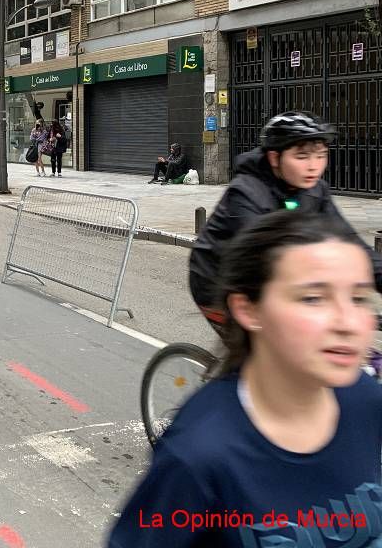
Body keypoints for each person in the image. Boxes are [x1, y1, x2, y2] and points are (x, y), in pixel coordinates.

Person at [109, 210, 382, 547]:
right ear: (248, 309)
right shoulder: (198, 455)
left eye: (359, 299)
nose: (349, 322)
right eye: (313, 298)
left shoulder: (364, 400)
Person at [190, 111, 382, 332]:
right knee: (268, 353)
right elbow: (264, 258)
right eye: (302, 156)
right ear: (274, 158)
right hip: (218, 282)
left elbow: (349, 240)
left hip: (278, 283)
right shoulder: (245, 193)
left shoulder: (316, 190)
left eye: (320, 155)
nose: (313, 166)